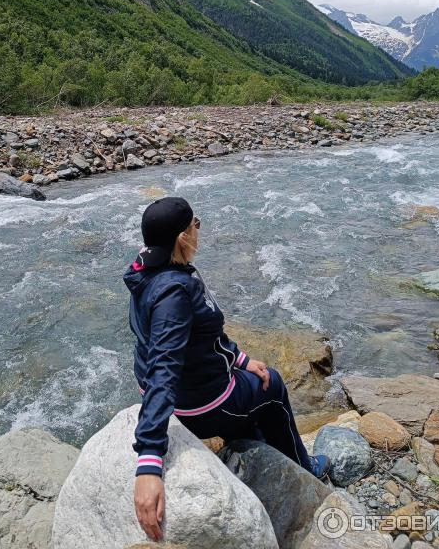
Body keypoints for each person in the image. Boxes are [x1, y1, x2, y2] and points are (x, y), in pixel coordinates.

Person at [124, 196, 331, 542]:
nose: (198, 229)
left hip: (180, 393)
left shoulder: (145, 272)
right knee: (274, 386)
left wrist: (241, 359)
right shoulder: (175, 292)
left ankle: (250, 440)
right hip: (199, 406)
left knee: (254, 381)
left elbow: (201, 338)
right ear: (182, 237)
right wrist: (149, 460)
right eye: (195, 224)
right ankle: (306, 468)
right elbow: (165, 366)